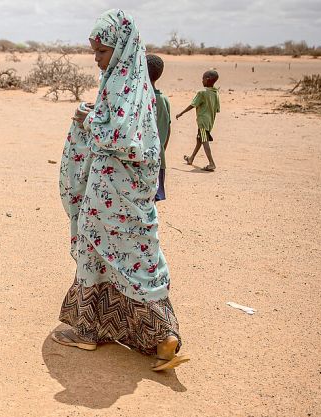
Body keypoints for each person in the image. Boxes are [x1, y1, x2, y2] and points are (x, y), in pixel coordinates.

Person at [55, 9, 188, 371]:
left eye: (102, 52)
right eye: (95, 52)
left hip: (113, 192)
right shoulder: (135, 86)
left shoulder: (122, 86)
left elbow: (126, 139)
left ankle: (88, 330)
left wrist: (89, 119)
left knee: (97, 249)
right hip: (125, 192)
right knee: (137, 257)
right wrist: (96, 113)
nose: (97, 60)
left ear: (122, 48)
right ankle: (162, 337)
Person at [177, 70, 220, 172]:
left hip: (203, 122)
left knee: (204, 141)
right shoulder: (215, 93)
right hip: (210, 121)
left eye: (203, 78)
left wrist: (181, 113)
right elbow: (217, 109)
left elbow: (193, 105)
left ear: (207, 79)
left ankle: (211, 163)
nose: (202, 80)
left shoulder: (202, 93)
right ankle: (191, 158)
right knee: (199, 139)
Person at [147, 54, 170, 201]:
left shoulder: (144, 100)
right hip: (159, 158)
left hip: (142, 160)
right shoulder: (164, 100)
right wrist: (161, 151)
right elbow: (168, 130)